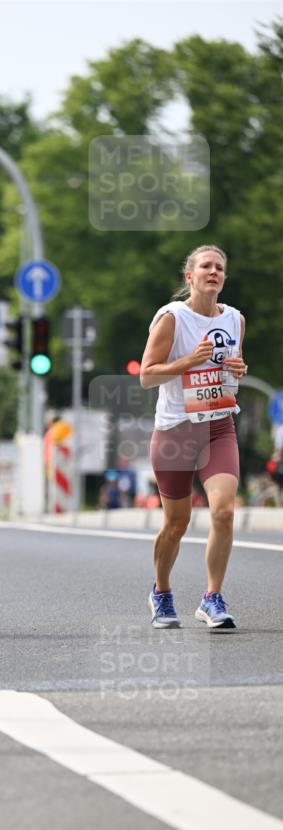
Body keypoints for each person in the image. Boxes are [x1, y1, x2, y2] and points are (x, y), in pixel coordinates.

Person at [140, 245, 247, 629]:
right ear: (190, 276)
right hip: (175, 431)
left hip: (218, 426)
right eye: (206, 266)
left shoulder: (235, 319)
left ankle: (212, 597)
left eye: (220, 267)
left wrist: (238, 369)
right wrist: (190, 360)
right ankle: (162, 592)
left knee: (224, 512)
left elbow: (230, 378)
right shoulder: (172, 318)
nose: (213, 272)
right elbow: (147, 375)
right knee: (176, 524)